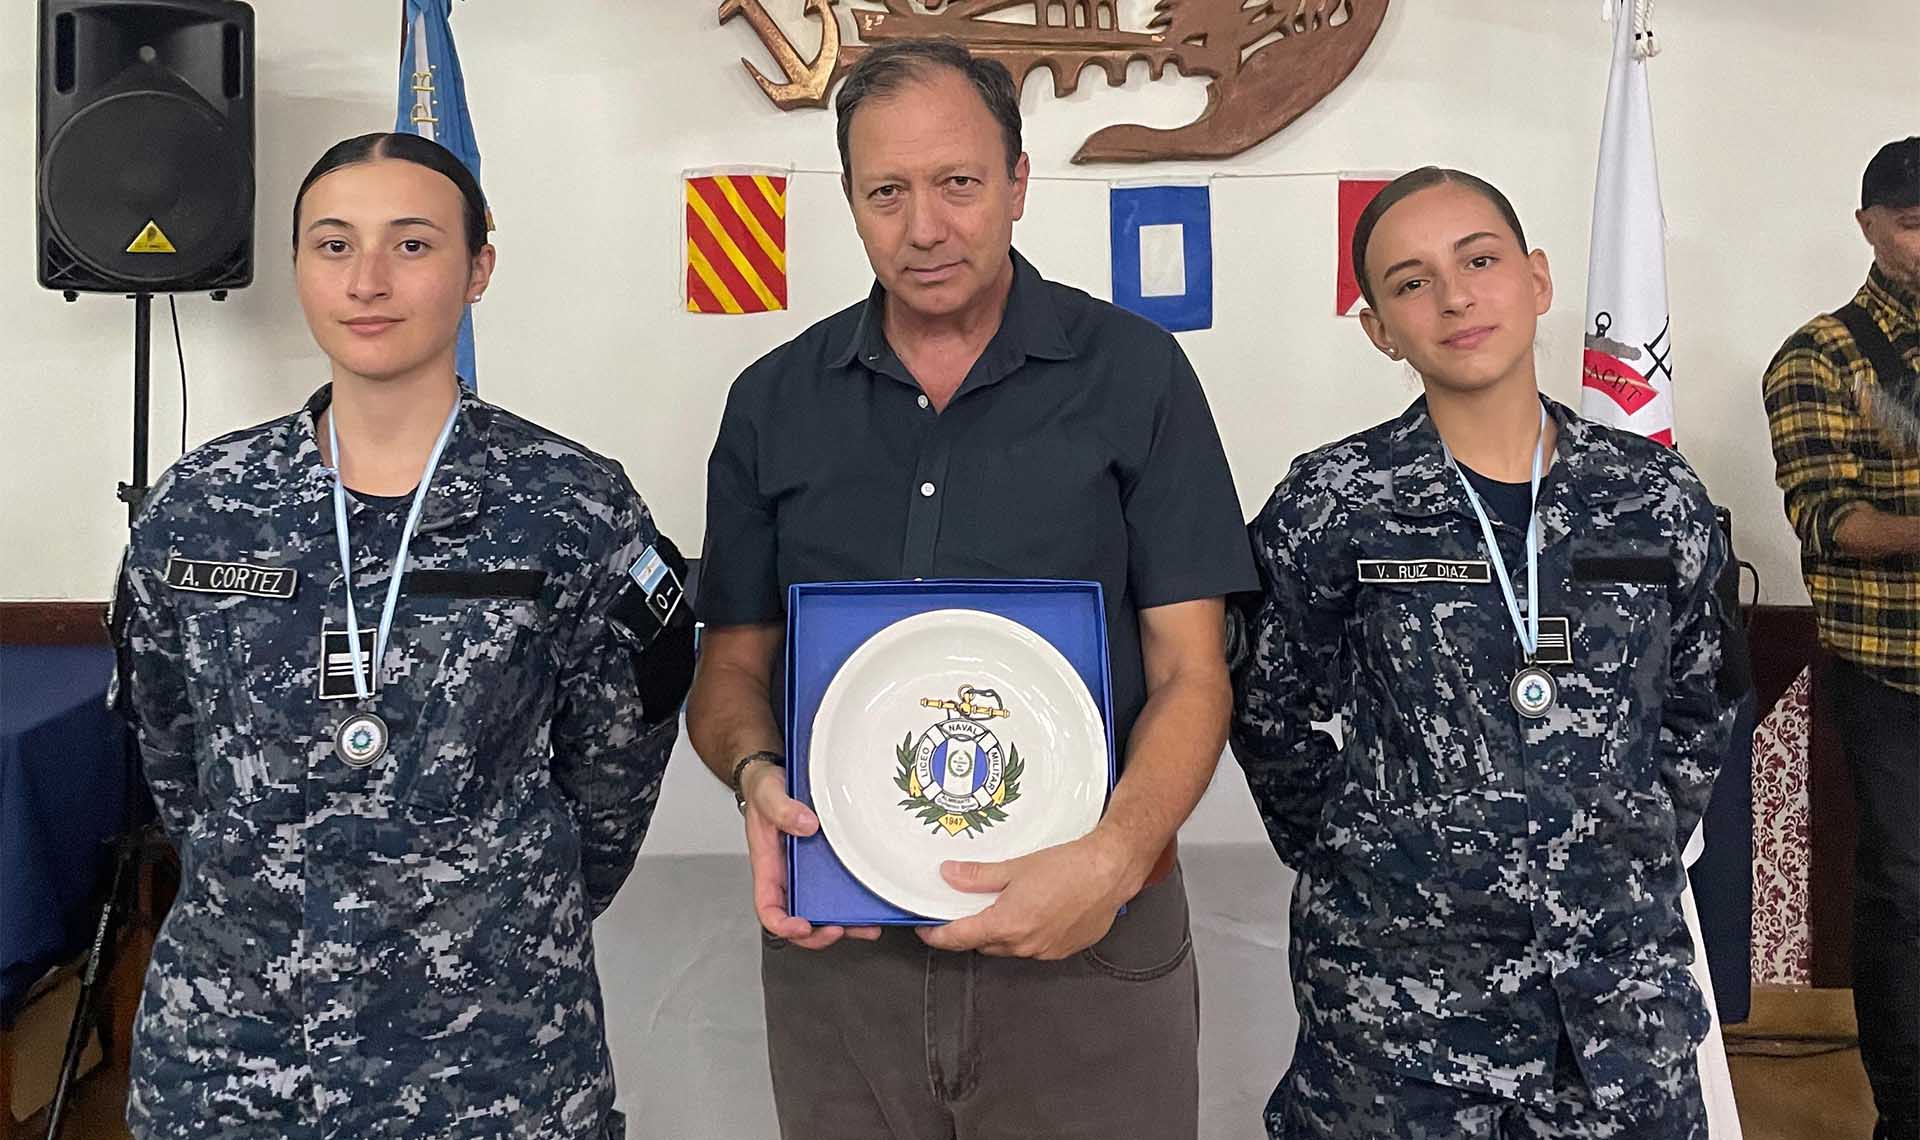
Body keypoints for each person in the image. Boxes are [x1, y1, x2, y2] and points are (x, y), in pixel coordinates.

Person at [685, 38, 1256, 1140]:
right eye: (886, 191)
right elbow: (732, 671)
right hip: (843, 964)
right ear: (850, 202)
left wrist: (1115, 856)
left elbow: (1195, 671)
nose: (926, 227)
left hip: (1093, 943)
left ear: (1018, 184)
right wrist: (756, 779)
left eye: (958, 183)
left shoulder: (1136, 374)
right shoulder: (771, 403)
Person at [108, 131, 693, 1138]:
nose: (368, 280)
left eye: (412, 245)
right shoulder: (199, 508)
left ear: (478, 269)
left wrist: (490, 909)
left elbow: (617, 770)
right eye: (333, 246)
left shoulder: (570, 507)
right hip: (238, 1056)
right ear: (297, 265)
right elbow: (174, 760)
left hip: (492, 1059)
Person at [1232, 166, 1740, 1138]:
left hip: (1612, 1012)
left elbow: (1699, 704)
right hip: (1401, 1019)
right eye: (1412, 281)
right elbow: (1269, 714)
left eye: (1480, 260)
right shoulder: (1335, 503)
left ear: (1538, 279)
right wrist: (1372, 849)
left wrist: (1606, 853)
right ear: (1380, 327)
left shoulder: (1656, 497)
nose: (1456, 295)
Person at [1762, 135, 1919, 1140]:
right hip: (1895, 674)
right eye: (1912, 220)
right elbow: (1831, 521)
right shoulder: (1825, 356)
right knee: (1907, 896)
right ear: (1866, 224)